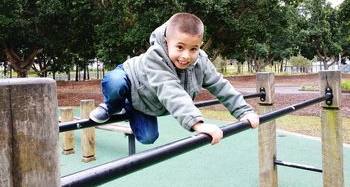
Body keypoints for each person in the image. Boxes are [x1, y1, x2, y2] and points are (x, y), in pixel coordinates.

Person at [90, 12, 259, 145]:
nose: (186, 55)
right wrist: (198, 124)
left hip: (146, 99)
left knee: (148, 138)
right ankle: (112, 105)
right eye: (179, 47)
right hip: (130, 78)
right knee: (115, 83)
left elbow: (220, 86)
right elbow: (170, 90)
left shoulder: (201, 61)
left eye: (193, 49)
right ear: (166, 41)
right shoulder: (155, 57)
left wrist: (244, 111)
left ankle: (129, 105)